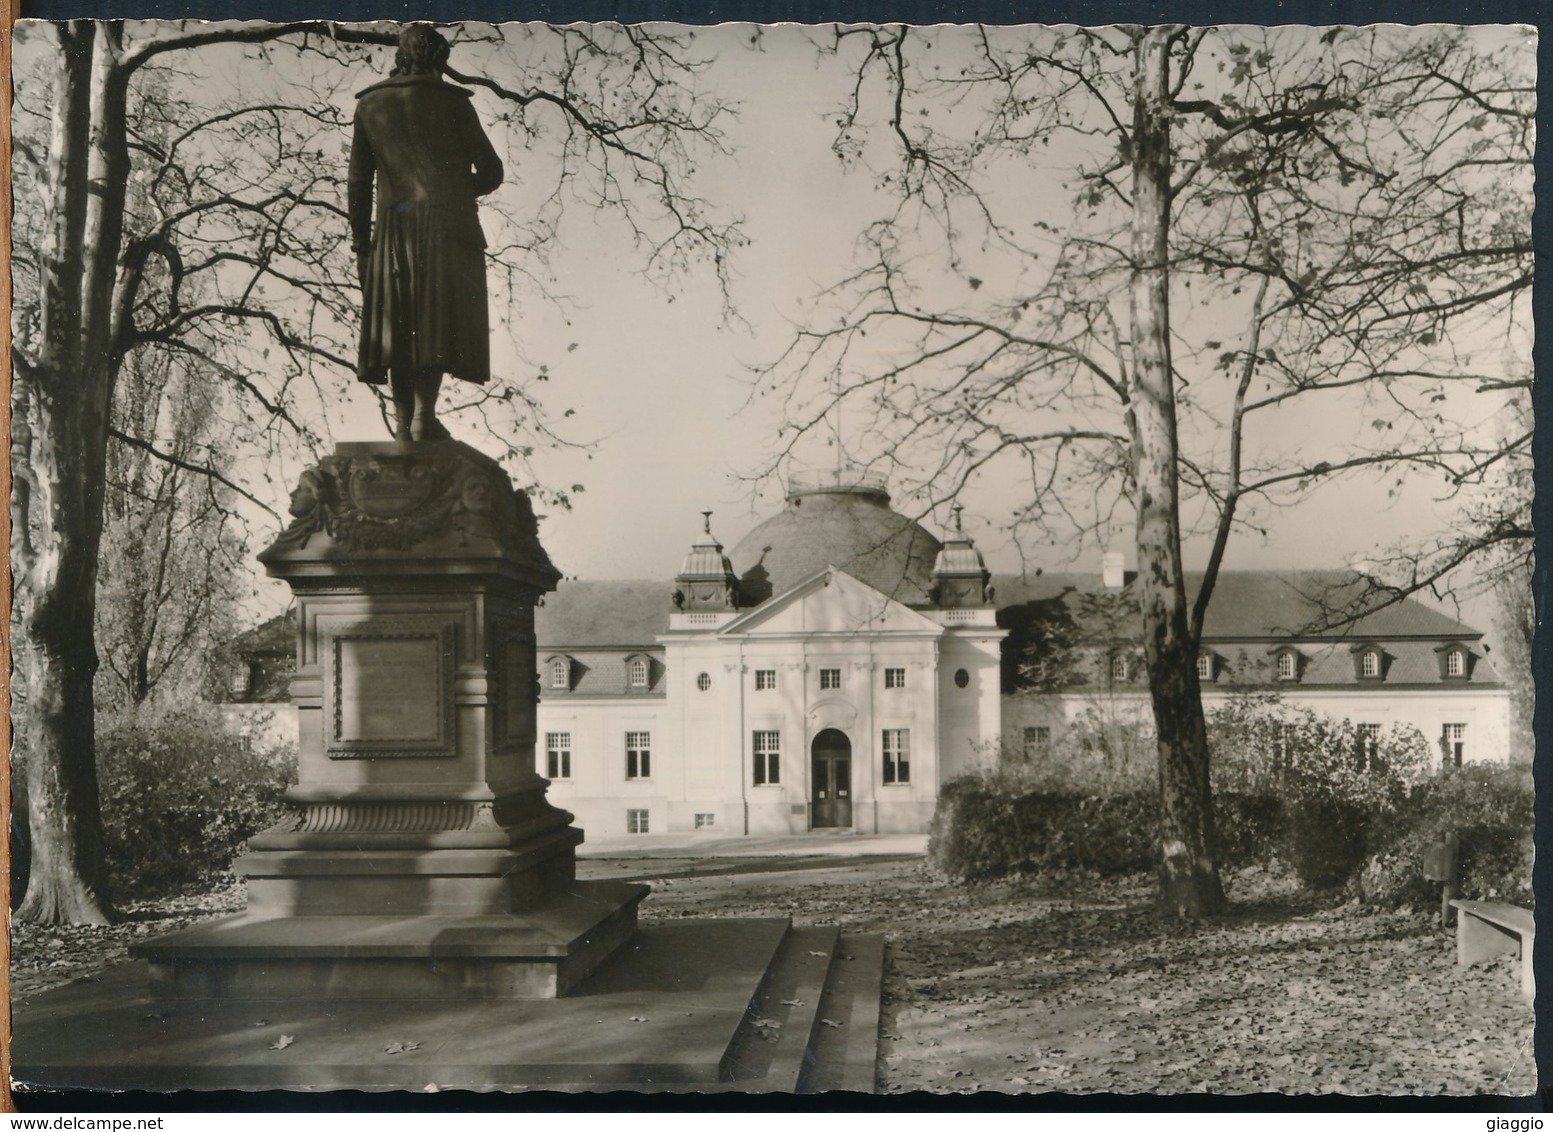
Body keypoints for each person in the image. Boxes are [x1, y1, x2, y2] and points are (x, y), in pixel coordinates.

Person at [349, 24, 503, 441]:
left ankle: (404, 426)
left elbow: (359, 183)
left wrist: (361, 243)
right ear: (437, 58)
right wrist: (455, 189)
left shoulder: (370, 105)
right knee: (432, 321)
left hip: (392, 228)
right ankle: (422, 417)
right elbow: (492, 171)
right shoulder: (453, 103)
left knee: (397, 322)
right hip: (444, 226)